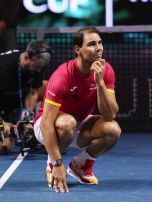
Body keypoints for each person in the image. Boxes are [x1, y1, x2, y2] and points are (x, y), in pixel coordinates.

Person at [33, 26, 121, 193]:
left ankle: (79, 165)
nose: (99, 48)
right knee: (67, 123)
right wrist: (57, 163)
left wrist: (100, 83)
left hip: (78, 124)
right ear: (78, 50)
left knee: (113, 129)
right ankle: (51, 164)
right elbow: (46, 123)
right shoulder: (63, 75)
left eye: (100, 43)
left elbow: (110, 114)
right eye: (92, 44)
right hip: (46, 125)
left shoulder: (105, 70)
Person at [0, 40, 52, 154]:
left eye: (41, 67)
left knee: (49, 85)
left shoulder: (36, 65)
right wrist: (2, 122)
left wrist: (27, 118)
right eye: (37, 67)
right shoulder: (4, 68)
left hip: (15, 98)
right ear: (26, 58)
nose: (39, 70)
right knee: (4, 147)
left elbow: (33, 92)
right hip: (2, 105)